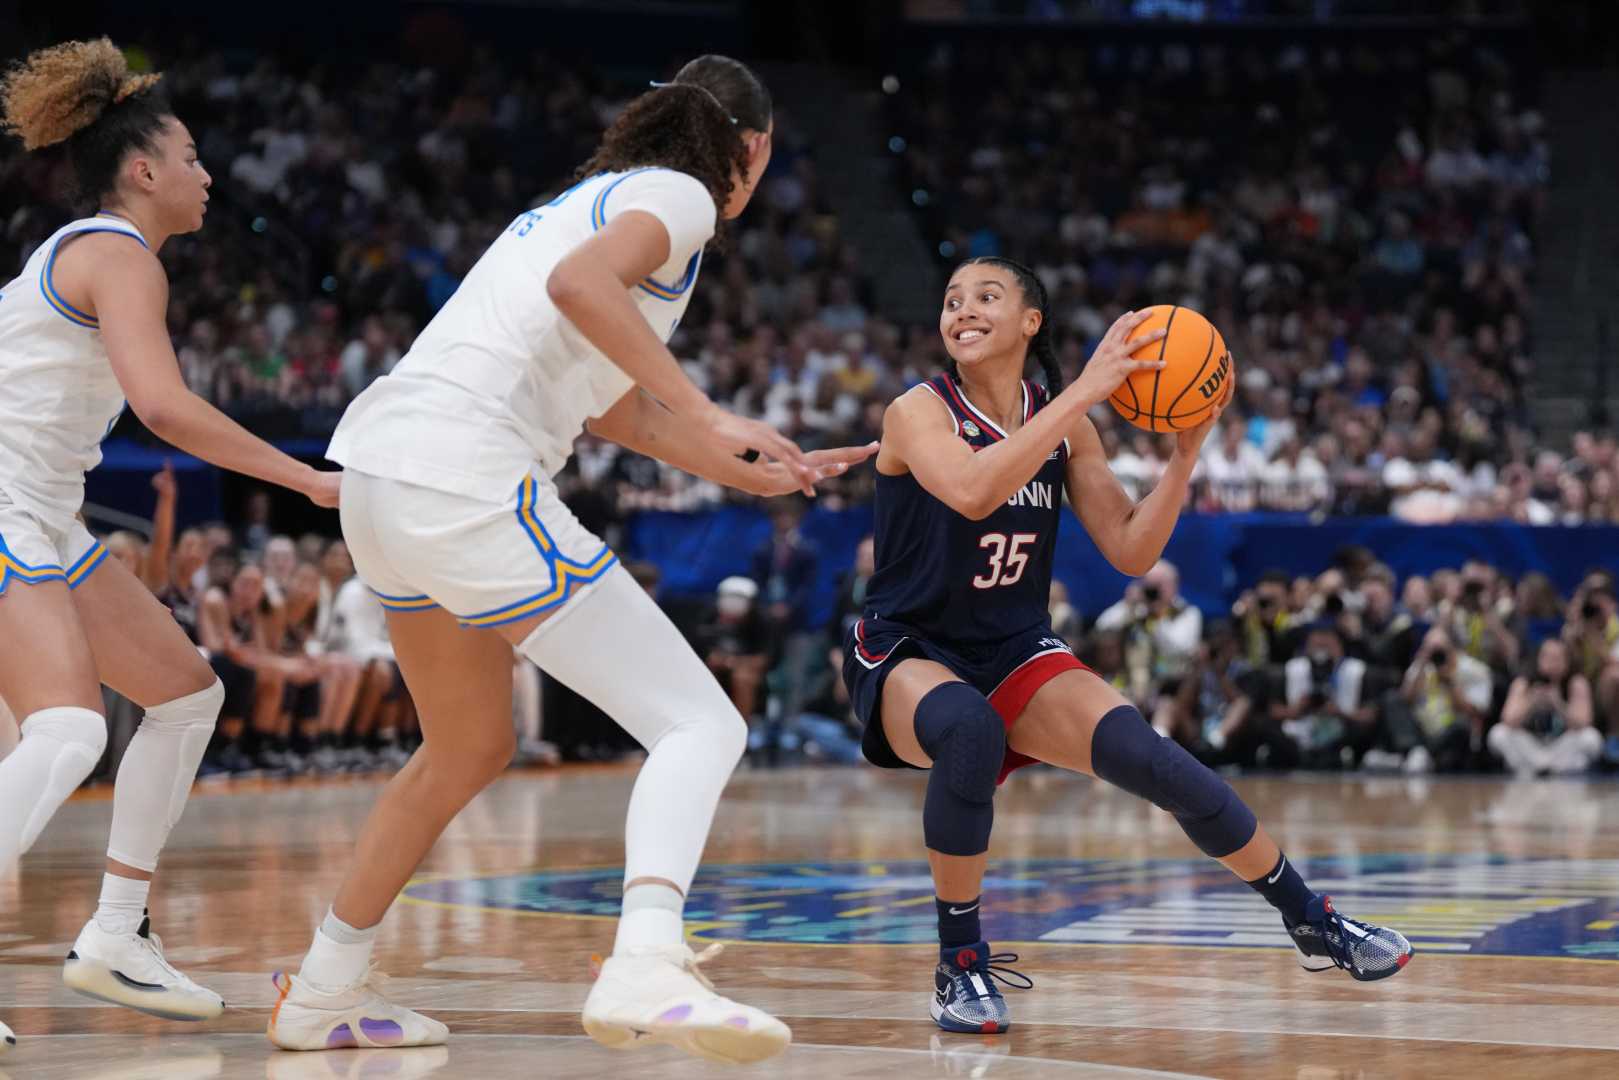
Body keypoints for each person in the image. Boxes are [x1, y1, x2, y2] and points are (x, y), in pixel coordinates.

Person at [271, 56, 876, 1064]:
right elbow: (580, 288)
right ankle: (646, 957)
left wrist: (738, 459)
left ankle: (324, 988)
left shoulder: (580, 203)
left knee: (464, 746)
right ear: (752, 149)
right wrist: (706, 407)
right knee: (697, 721)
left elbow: (607, 406)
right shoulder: (680, 197)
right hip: (467, 475)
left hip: (383, 477)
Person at [842, 256, 1412, 1035]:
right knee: (968, 731)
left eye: (985, 297)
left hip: (1011, 646)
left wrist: (1184, 456)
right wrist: (1084, 389)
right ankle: (960, 963)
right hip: (909, 648)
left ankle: (1311, 919)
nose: (962, 310)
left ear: (1028, 322)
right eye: (951, 300)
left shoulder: (1066, 425)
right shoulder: (917, 410)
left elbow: (1129, 550)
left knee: (1155, 759)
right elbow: (974, 491)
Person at [0, 39, 340, 1044]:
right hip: (5, 501)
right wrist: (305, 479)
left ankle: (115, 934)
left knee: (188, 695)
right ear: (142, 170)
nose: (206, 174)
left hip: (41, 511)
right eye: (190, 156)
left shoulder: (92, 254)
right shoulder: (116, 253)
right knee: (64, 733)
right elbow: (166, 408)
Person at [1489, 637, 1603, 776]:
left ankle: (1548, 768)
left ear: (1567, 661)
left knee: (1591, 738)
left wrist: (1559, 704)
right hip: (1531, 748)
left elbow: (1584, 723)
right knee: (1498, 734)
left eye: (1557, 658)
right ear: (1538, 659)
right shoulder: (1523, 683)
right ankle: (1540, 767)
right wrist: (1531, 702)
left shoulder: (1576, 683)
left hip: (1561, 749)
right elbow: (1508, 720)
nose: (1551, 663)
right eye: (1546, 657)